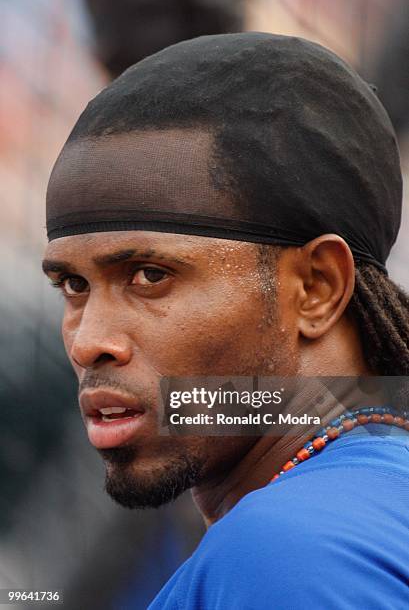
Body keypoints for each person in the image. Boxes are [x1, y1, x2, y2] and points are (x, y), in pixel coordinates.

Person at [42, 33, 409, 608]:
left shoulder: (283, 553)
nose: (90, 343)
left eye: (150, 276)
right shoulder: (368, 503)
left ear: (317, 288)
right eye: (74, 285)